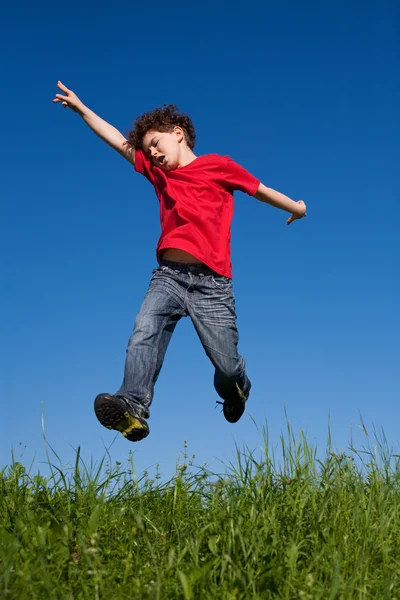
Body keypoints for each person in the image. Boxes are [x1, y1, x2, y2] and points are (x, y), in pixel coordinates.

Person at [53, 80, 307, 443]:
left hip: (213, 285)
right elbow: (115, 140)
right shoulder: (161, 177)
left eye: (155, 144)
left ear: (178, 134)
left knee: (227, 364)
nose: (152, 154)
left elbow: (261, 190)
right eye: (147, 151)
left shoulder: (219, 166)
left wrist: (296, 207)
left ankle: (236, 388)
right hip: (168, 277)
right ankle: (132, 406)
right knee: (144, 331)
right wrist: (82, 110)